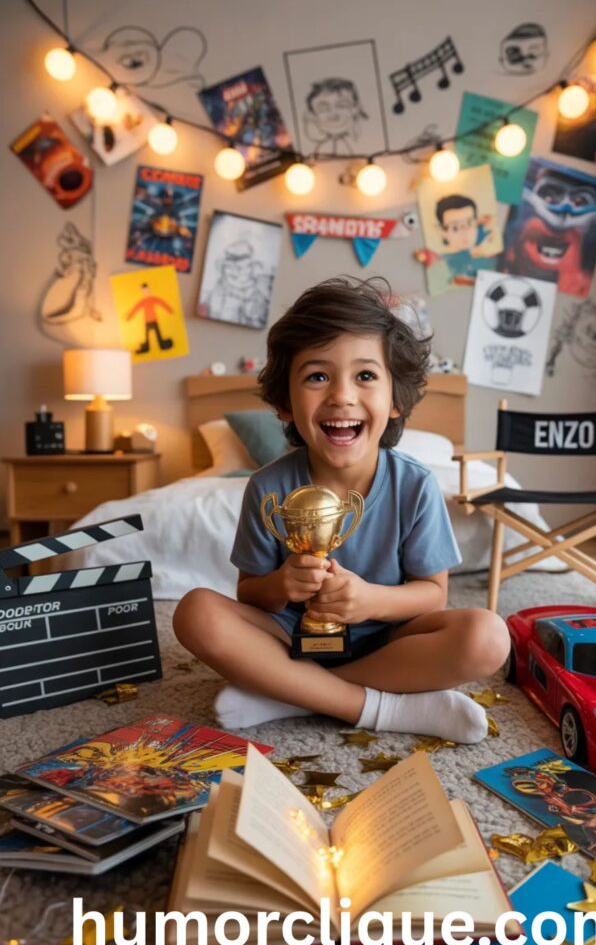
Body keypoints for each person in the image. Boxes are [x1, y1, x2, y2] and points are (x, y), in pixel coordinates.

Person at [173, 278, 510, 740]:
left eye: (365, 375)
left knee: (488, 637)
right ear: (284, 403)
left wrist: (370, 600)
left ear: (396, 399)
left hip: (388, 644)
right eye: (317, 376)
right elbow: (250, 593)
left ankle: (284, 693)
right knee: (194, 613)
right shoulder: (267, 486)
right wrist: (281, 584)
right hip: (289, 639)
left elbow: (432, 593)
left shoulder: (415, 484)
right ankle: (384, 710)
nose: (341, 395)